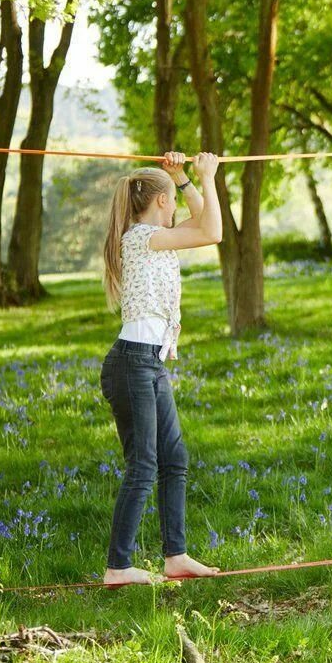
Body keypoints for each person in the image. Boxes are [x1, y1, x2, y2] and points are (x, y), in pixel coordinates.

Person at [100, 151, 223, 586]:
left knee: (175, 460)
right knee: (144, 465)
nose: (177, 206)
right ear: (160, 204)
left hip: (148, 362)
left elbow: (205, 223)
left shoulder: (156, 236)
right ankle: (119, 565)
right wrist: (205, 176)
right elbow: (213, 231)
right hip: (131, 362)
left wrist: (183, 179)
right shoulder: (142, 237)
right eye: (173, 198)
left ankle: (175, 556)